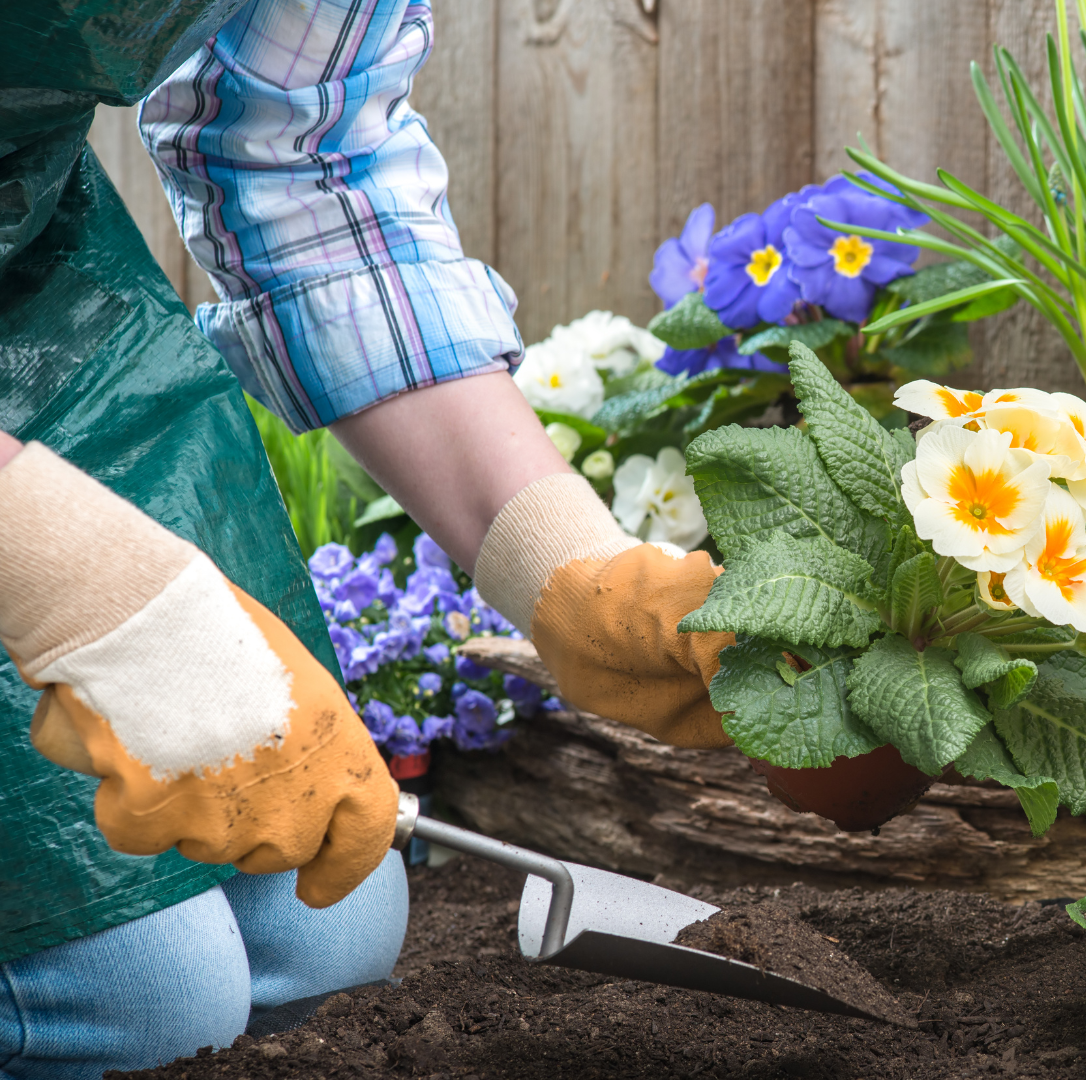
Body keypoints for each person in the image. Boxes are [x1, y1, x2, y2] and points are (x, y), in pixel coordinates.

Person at [0, 2, 732, 1077]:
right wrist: (71, 576)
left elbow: (302, 152)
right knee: (136, 999)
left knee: (325, 932)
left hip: (34, 291)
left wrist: (563, 566)